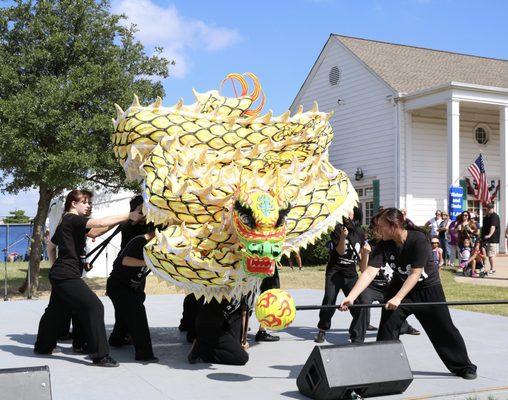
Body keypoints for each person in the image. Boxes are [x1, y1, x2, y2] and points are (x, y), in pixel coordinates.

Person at [340, 208, 477, 380]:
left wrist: (398, 298)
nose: (379, 230)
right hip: (399, 288)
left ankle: (464, 366)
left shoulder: (418, 239)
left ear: (394, 225)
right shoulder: (384, 244)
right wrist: (351, 296)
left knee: (444, 330)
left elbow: (415, 274)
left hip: (428, 290)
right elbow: (369, 272)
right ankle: (383, 370)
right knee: (387, 329)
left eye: (382, 226)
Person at [34, 189, 143, 367]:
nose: (88, 205)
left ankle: (43, 346)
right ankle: (100, 356)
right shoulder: (71, 218)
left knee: (55, 312)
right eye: (84, 202)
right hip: (67, 276)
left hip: (62, 274)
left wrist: (56, 266)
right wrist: (129, 214)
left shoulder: (66, 223)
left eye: (89, 202)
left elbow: (53, 246)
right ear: (73, 203)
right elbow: (100, 222)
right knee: (94, 306)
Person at [351, 235, 420, 343]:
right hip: (372, 286)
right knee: (363, 303)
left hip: (389, 285)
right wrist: (365, 254)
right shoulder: (368, 245)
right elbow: (364, 271)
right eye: (375, 228)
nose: (378, 231)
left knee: (395, 306)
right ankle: (357, 338)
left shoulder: (394, 243)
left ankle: (404, 326)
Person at [314, 207, 368, 344]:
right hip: (335, 273)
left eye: (348, 210)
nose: (346, 213)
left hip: (351, 274)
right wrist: (343, 236)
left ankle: (357, 330)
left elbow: (362, 261)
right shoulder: (337, 228)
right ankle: (322, 330)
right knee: (329, 300)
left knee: (360, 302)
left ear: (354, 213)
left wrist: (366, 253)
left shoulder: (360, 232)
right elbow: (340, 251)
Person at [106, 228, 158, 363]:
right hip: (119, 286)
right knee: (137, 314)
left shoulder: (152, 245)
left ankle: (117, 339)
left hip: (129, 287)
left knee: (125, 314)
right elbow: (126, 260)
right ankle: (144, 353)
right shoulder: (140, 241)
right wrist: (148, 263)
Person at [188, 298, 249, 365]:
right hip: (210, 324)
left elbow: (244, 313)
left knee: (237, 348)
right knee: (242, 358)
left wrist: (243, 339)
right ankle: (201, 350)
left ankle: (204, 344)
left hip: (227, 323)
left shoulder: (246, 290)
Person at [255, 267, 281, 342]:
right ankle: (262, 331)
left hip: (255, 264)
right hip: (267, 263)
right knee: (270, 296)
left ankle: (242, 330)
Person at [481, 203, 500, 274]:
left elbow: (493, 227)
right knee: (483, 253)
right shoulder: (486, 217)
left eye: (487, 209)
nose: (486, 210)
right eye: (486, 208)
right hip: (485, 239)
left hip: (492, 239)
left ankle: (493, 269)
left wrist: (489, 235)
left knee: (490, 255)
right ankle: (483, 267)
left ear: (491, 209)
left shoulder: (494, 216)